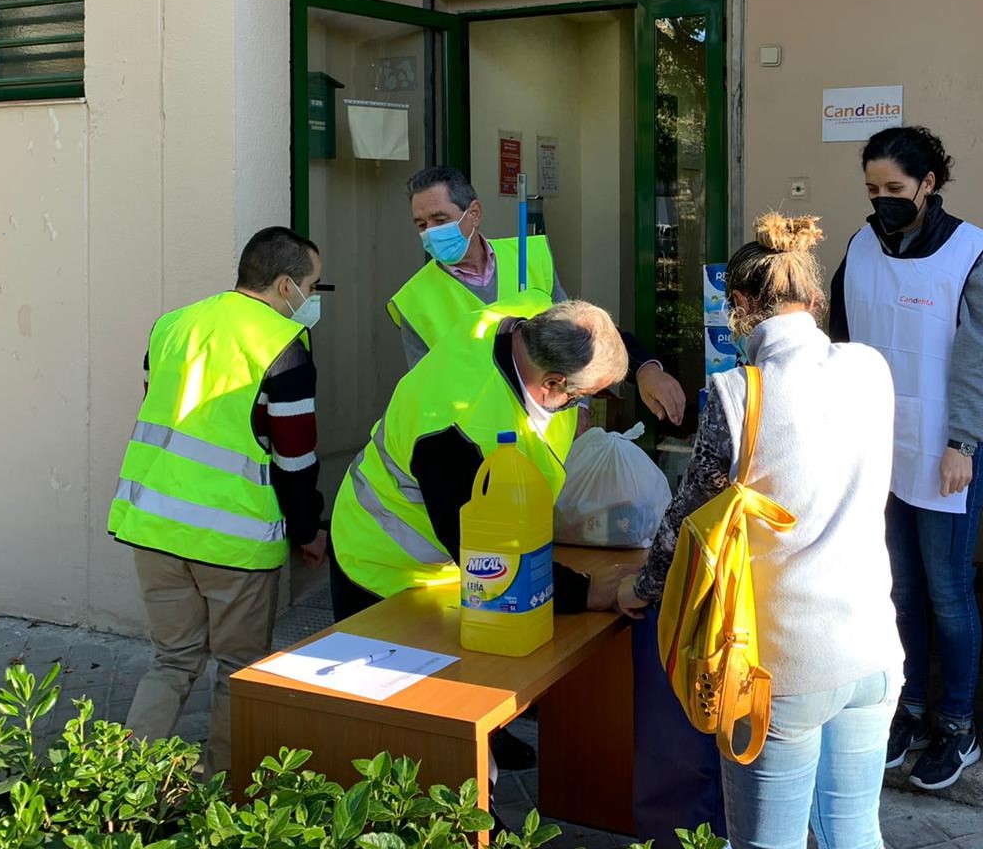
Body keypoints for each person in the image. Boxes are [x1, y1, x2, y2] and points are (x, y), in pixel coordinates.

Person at [619, 213, 905, 849]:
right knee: (855, 832)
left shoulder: (735, 393)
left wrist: (638, 590)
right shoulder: (870, 369)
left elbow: (686, 524)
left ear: (739, 305)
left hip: (782, 664)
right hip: (874, 651)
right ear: (813, 299)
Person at [328, 300, 636, 768]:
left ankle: (492, 737)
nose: (581, 410)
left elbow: (596, 332)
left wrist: (647, 366)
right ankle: (462, 802)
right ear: (552, 384)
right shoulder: (459, 429)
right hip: (386, 561)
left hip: (460, 549)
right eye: (581, 398)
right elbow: (487, 559)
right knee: (416, 708)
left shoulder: (531, 320)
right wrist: (585, 590)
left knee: (487, 661)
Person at [109, 226, 330, 777]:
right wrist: (307, 530)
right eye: (312, 286)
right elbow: (295, 457)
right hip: (232, 539)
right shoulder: (284, 347)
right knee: (238, 667)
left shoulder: (173, 324)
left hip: (153, 522)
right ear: (285, 286)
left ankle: (120, 786)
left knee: (172, 659)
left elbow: (158, 405)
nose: (313, 299)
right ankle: (220, 795)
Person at [828, 125, 983, 792]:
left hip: (947, 454)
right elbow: (841, 337)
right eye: (873, 189)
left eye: (895, 189)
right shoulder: (860, 247)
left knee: (949, 592)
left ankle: (955, 727)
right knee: (898, 590)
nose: (882, 201)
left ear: (929, 184)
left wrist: (964, 442)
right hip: (881, 449)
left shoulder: (971, 250)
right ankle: (906, 712)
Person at [389, 167, 686, 425]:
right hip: (481, 453)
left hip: (551, 434)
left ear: (474, 213)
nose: (430, 233)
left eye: (440, 220)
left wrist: (642, 369)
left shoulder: (530, 258)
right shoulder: (414, 301)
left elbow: (579, 338)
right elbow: (429, 399)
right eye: (421, 225)